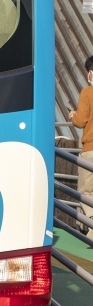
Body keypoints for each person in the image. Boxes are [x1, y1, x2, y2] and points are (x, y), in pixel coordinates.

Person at [69, 55, 93, 237]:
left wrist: (72, 116)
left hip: (91, 150)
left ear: (90, 73)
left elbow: (81, 120)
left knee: (86, 192)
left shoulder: (87, 93)